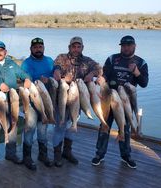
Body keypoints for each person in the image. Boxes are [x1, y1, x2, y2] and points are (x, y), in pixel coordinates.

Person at [91, 35, 149, 169]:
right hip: (108, 99)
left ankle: (126, 156)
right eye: (124, 45)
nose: (126, 48)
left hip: (126, 102)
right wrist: (101, 79)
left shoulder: (141, 62)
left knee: (125, 130)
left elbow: (144, 83)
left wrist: (136, 72)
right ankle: (99, 154)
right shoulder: (112, 59)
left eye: (129, 45)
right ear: (121, 47)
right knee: (104, 127)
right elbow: (105, 74)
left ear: (134, 46)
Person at [0, 40, 31, 174]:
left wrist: (27, 78)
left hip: (12, 100)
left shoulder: (11, 63)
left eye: (1, 50)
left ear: (5, 52)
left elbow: (22, 73)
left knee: (13, 127)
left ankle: (11, 153)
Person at [53, 36, 102, 167]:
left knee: (71, 127)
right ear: (69, 47)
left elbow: (99, 68)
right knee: (60, 127)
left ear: (82, 48)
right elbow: (56, 67)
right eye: (73, 46)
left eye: (78, 46)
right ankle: (57, 154)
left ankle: (67, 152)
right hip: (62, 99)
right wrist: (59, 74)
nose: (76, 49)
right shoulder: (62, 57)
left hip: (77, 100)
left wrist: (93, 74)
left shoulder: (87, 61)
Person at [21, 37, 54, 170]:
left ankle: (42, 155)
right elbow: (24, 79)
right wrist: (34, 80)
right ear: (31, 49)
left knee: (43, 130)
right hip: (32, 101)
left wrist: (49, 79)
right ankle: (27, 157)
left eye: (40, 47)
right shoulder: (26, 63)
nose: (38, 49)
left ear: (43, 48)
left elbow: (55, 77)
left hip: (47, 100)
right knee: (29, 129)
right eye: (35, 47)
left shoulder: (50, 61)